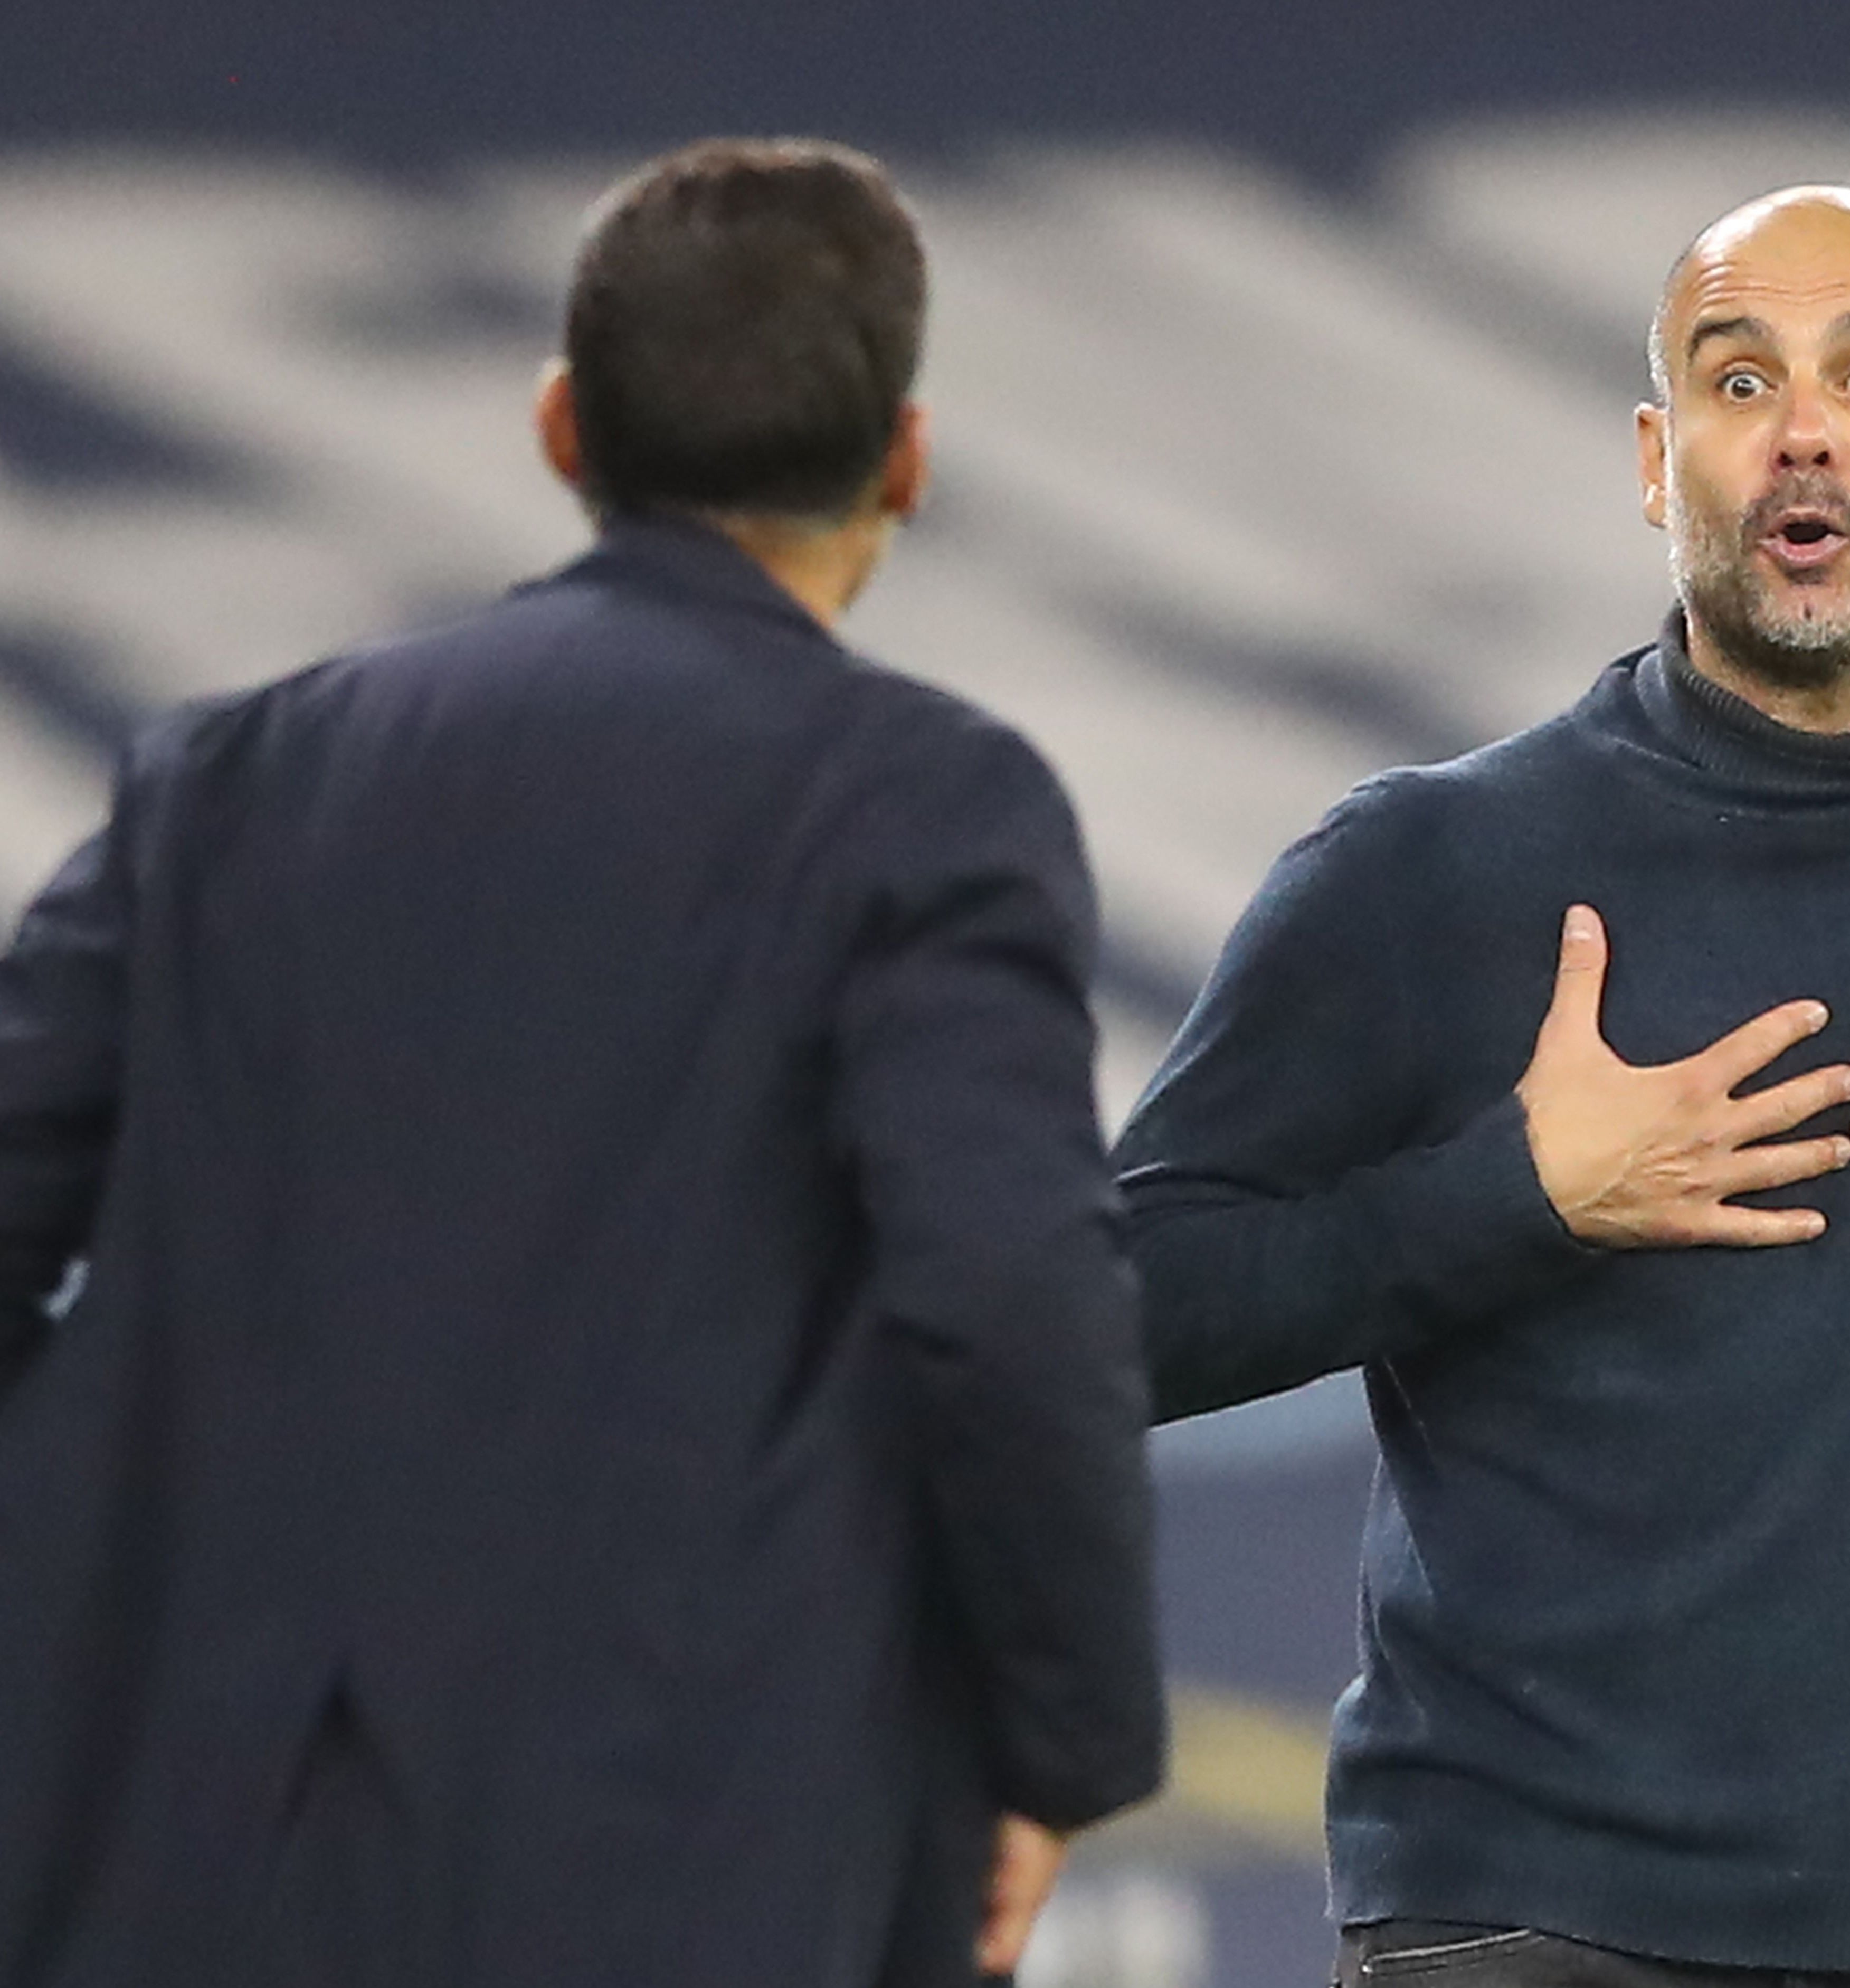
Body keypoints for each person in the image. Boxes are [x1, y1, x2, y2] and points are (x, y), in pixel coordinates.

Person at [0, 138, 1162, 1988]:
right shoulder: (925, 804)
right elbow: (1011, 1294)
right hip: (686, 1868)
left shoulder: (228, 783)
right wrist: (1069, 1741)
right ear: (907, 461)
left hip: (186, 1872)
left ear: (562, 430)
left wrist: (99, 1583)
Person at [1113, 186, 1850, 1986]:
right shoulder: (1436, 864)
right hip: (1528, 1920)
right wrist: (1518, 1196)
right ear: (1655, 456)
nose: (1802, 429)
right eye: (1735, 377)